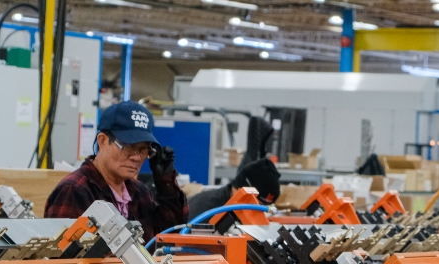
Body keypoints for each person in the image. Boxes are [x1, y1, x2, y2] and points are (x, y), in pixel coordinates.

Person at [44, 101, 186, 242]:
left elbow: (171, 236)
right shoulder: (75, 191)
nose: (137, 157)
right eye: (129, 147)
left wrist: (165, 182)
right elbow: (60, 257)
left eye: (144, 149)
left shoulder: (139, 193)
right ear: (103, 141)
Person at [188, 158, 281, 217]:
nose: (258, 212)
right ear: (243, 190)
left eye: (263, 207)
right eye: (256, 204)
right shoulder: (204, 209)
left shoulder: (236, 211)